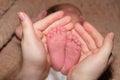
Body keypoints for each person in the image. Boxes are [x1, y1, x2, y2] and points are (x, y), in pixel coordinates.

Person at [15, 3, 114, 80]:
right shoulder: (41, 33)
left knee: (98, 57)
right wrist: (39, 18)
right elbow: (20, 31)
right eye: (73, 11)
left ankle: (69, 64)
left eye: (81, 16)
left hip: (71, 70)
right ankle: (61, 62)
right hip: (45, 66)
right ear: (46, 15)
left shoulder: (79, 41)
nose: (81, 17)